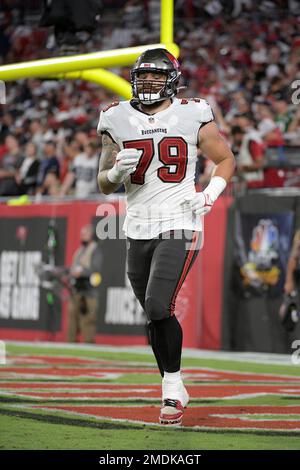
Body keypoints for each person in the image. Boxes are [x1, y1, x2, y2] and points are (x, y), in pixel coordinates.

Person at [97, 48, 235, 425]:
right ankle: (173, 383)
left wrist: (211, 193)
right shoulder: (115, 117)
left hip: (180, 221)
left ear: (172, 79)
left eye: (157, 76)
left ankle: (172, 390)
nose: (149, 83)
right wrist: (114, 174)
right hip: (137, 225)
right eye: (144, 76)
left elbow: (225, 158)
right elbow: (104, 183)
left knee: (159, 306)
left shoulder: (192, 112)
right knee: (153, 314)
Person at [67, 224, 102, 343]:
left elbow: (96, 270)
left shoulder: (95, 249)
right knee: (72, 321)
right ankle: (70, 347)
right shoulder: (80, 250)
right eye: (82, 233)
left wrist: (81, 272)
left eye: (85, 233)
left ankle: (89, 347)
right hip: (77, 290)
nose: (82, 236)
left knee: (88, 322)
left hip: (89, 292)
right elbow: (73, 267)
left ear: (91, 234)